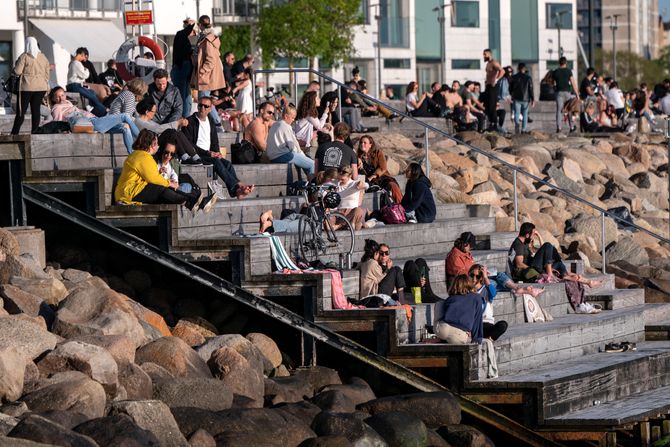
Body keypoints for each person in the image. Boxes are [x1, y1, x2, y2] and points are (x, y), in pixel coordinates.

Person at [181, 96, 254, 199]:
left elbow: (214, 141)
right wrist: (208, 153)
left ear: (210, 109)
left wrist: (216, 152)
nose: (202, 108)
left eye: (206, 106)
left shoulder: (210, 121)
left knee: (227, 164)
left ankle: (235, 191)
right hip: (194, 155)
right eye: (200, 105)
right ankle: (239, 185)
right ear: (197, 107)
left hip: (208, 154)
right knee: (215, 161)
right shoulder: (190, 121)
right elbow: (188, 144)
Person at [114, 129, 203, 211]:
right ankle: (190, 201)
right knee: (161, 189)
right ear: (152, 145)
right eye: (156, 143)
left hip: (132, 191)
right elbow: (153, 179)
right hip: (129, 193)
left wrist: (168, 182)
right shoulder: (142, 157)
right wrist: (169, 183)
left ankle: (194, 201)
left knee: (166, 189)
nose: (158, 146)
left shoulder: (140, 155)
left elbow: (151, 176)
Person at [445, 231, 543, 296]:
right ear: (465, 244)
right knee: (494, 283)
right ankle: (521, 290)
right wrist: (479, 272)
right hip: (464, 285)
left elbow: (471, 268)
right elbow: (461, 275)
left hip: (474, 278)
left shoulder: (465, 252)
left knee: (500, 274)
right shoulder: (455, 256)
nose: (471, 249)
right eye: (471, 246)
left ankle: (517, 288)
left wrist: (482, 271)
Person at [49, 86, 138, 153]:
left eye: (62, 95)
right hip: (91, 123)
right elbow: (57, 123)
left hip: (95, 122)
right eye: (57, 96)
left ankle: (132, 155)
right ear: (53, 99)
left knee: (124, 128)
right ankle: (142, 139)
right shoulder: (57, 108)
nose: (61, 98)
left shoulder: (68, 104)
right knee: (125, 116)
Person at [134, 97, 204, 165]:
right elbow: (157, 129)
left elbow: (159, 128)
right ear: (147, 112)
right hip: (149, 146)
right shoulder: (138, 121)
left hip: (155, 144)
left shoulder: (149, 121)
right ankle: (185, 157)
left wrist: (178, 125)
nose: (154, 113)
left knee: (176, 132)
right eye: (153, 111)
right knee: (171, 132)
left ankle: (195, 157)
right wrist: (177, 123)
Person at [154, 139, 216, 212]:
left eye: (172, 154)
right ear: (162, 151)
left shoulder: (168, 164)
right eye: (166, 152)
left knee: (186, 186)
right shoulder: (156, 163)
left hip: (172, 187)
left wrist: (175, 181)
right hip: (163, 192)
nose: (168, 156)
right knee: (180, 189)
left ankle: (200, 203)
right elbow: (156, 180)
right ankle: (202, 203)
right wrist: (161, 173)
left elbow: (173, 174)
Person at [11, 37, 50, 135]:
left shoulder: (24, 56)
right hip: (41, 88)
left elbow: (17, 71)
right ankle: (35, 132)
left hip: (26, 87)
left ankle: (15, 133)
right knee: (36, 110)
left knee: (21, 111)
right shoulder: (43, 57)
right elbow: (47, 74)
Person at [191, 15, 225, 126]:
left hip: (207, 75)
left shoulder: (207, 39)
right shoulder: (208, 37)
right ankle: (214, 123)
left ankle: (217, 123)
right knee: (205, 100)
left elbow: (211, 59)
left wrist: (202, 71)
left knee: (204, 101)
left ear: (200, 25)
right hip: (208, 74)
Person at [266, 105, 314, 176]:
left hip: (273, 157)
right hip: (283, 156)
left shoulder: (275, 124)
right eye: (292, 118)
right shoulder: (286, 126)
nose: (293, 120)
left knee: (305, 163)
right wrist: (302, 155)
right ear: (286, 116)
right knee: (312, 164)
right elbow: (293, 146)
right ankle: (312, 185)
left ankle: (308, 183)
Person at [435, 275, 483, 345]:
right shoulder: (476, 297)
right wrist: (476, 339)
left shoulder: (450, 298)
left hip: (442, 329)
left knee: (440, 304)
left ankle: (441, 338)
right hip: (459, 334)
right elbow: (477, 320)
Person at [356, 135, 402, 203]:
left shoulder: (378, 153)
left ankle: (402, 208)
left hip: (382, 178)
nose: (362, 144)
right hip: (369, 182)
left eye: (365, 142)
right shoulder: (358, 157)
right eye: (361, 142)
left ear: (370, 145)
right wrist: (358, 161)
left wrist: (373, 176)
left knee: (393, 186)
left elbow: (383, 168)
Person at [468, 264, 508, 341]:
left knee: (503, 325)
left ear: (481, 278)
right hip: (473, 324)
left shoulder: (486, 290)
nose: (474, 278)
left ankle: (490, 338)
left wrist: (486, 277)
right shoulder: (466, 291)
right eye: (472, 275)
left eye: (478, 276)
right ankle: (485, 337)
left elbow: (493, 293)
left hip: (486, 323)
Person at [66, 47, 106, 117]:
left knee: (92, 92)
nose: (85, 60)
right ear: (82, 54)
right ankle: (103, 111)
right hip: (75, 85)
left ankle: (95, 110)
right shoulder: (76, 63)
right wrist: (86, 69)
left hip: (76, 84)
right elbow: (85, 75)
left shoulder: (73, 62)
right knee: (92, 95)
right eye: (85, 57)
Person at [171, 18, 197, 118]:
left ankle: (184, 116)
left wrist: (192, 25)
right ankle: (184, 116)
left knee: (184, 94)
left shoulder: (184, 37)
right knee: (184, 94)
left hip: (183, 68)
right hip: (182, 67)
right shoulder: (181, 35)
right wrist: (191, 25)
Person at [552, 56, 579, 133]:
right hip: (567, 92)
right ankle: (571, 127)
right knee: (569, 109)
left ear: (559, 63)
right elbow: (573, 83)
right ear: (565, 63)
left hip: (559, 93)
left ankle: (559, 127)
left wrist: (555, 89)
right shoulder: (568, 71)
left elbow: (553, 83)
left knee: (559, 110)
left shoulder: (555, 71)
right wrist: (577, 94)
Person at [483, 49, 504, 131]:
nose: (484, 56)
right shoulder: (488, 63)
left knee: (492, 106)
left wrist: (496, 79)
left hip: (493, 86)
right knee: (488, 105)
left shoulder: (494, 62)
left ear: (489, 54)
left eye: (485, 54)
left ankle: (494, 124)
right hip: (488, 86)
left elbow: (502, 71)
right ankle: (491, 123)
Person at [510, 62, 534, 134]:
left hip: (516, 98)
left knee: (517, 113)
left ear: (518, 69)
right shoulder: (528, 78)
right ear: (524, 69)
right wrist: (532, 98)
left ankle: (517, 127)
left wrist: (512, 94)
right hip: (526, 98)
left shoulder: (514, 77)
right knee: (525, 114)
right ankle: (523, 129)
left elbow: (510, 88)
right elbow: (530, 88)